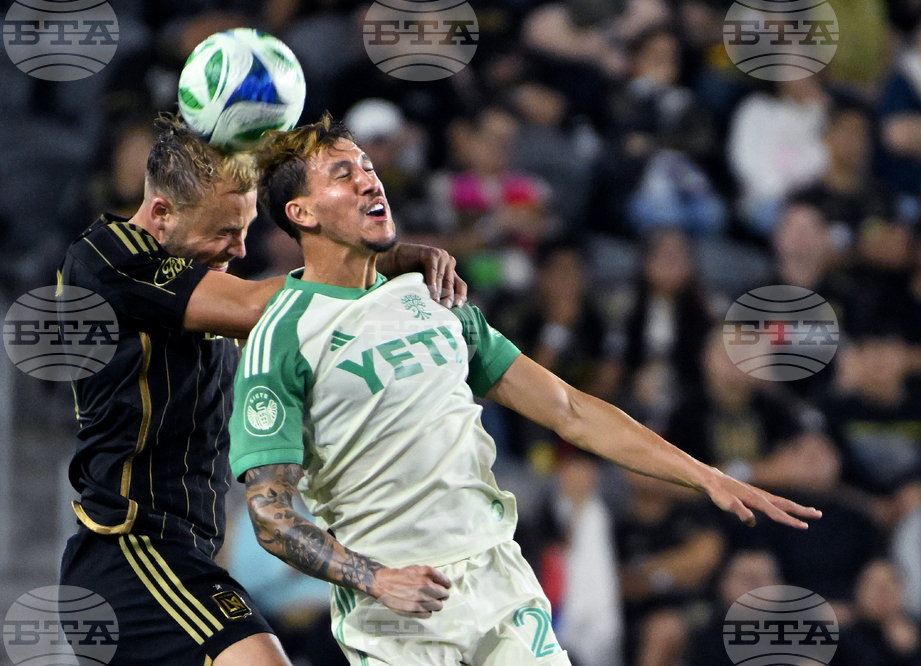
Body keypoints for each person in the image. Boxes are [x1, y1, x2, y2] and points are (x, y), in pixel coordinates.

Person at [228, 114, 822, 666]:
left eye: (369, 167)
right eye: (343, 173)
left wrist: (707, 475)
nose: (368, 181)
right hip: (396, 606)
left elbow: (570, 410)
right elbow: (272, 516)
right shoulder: (281, 337)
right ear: (302, 213)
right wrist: (375, 579)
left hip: (498, 579)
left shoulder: (434, 300)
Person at [56, 114, 465, 666]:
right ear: (161, 214)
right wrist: (379, 256)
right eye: (224, 232)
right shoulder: (105, 257)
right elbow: (264, 305)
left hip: (185, 551)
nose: (240, 250)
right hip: (130, 551)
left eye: (246, 229)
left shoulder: (193, 292)